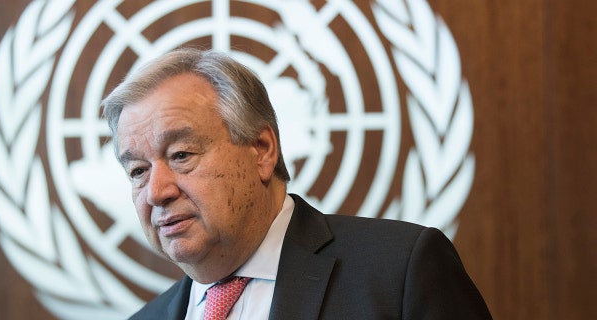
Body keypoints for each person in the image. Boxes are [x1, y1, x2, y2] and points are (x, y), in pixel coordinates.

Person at [101, 48, 491, 319]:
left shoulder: (399, 272)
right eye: (137, 171)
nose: (157, 191)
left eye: (181, 155)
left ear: (262, 149)